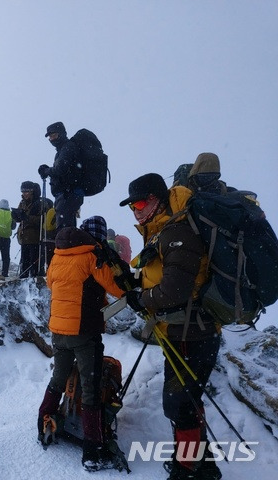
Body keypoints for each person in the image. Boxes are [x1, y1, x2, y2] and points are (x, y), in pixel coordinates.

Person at [119, 173, 222, 480]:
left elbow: (175, 289)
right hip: (181, 330)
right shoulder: (164, 231)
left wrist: (144, 300)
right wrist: (138, 286)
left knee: (179, 406)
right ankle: (201, 466)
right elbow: (162, 276)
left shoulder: (178, 230)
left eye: (140, 203)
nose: (136, 211)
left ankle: (187, 470)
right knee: (186, 403)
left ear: (158, 199)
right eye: (132, 206)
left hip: (191, 332)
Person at [37, 226, 126, 472]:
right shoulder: (91, 256)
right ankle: (93, 452)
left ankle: (42, 424)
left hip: (58, 330)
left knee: (58, 379)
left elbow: (50, 285)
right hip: (84, 332)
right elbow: (119, 289)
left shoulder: (57, 255)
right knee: (91, 388)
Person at [38, 121, 85, 229]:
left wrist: (46, 171)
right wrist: (49, 170)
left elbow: (60, 169)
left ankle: (66, 245)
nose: (52, 139)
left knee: (64, 229)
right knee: (66, 228)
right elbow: (62, 169)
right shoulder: (63, 149)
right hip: (68, 194)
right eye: (50, 137)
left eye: (54, 135)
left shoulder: (67, 147)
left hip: (68, 194)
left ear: (62, 134)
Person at [14, 181, 42, 277]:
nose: (24, 194)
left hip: (35, 237)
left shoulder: (39, 203)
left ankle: (33, 279)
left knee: (33, 262)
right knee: (24, 261)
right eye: (23, 192)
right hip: (24, 237)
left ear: (32, 191)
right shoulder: (22, 203)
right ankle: (24, 279)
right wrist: (15, 216)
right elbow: (21, 218)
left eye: (26, 191)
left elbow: (42, 220)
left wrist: (27, 217)